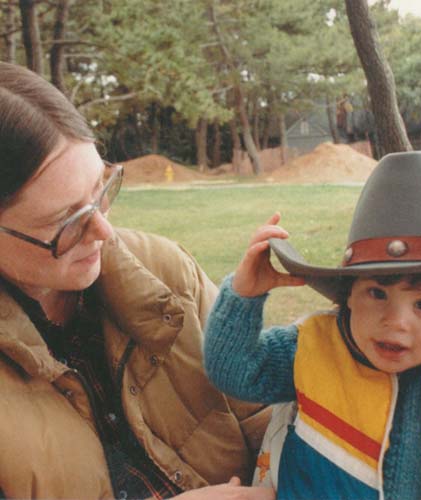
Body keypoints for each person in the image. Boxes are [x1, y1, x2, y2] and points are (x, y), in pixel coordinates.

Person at [0, 61, 274, 499]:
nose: (105, 233)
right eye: (67, 222)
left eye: (101, 191)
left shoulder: (166, 271)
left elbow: (266, 414)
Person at [204, 151, 421, 500]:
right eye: (377, 293)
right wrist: (243, 297)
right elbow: (234, 371)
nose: (395, 321)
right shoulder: (314, 349)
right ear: (348, 296)